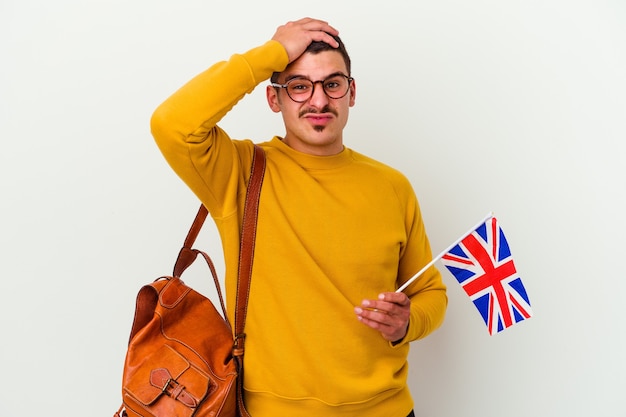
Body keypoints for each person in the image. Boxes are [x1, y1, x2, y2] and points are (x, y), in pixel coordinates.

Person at [151, 17, 447, 417]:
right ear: (274, 99)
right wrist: (271, 54)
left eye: (332, 84)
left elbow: (432, 294)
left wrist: (407, 323)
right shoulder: (238, 173)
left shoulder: (393, 186)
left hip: (388, 410)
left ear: (351, 92)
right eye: (299, 86)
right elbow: (172, 124)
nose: (319, 101)